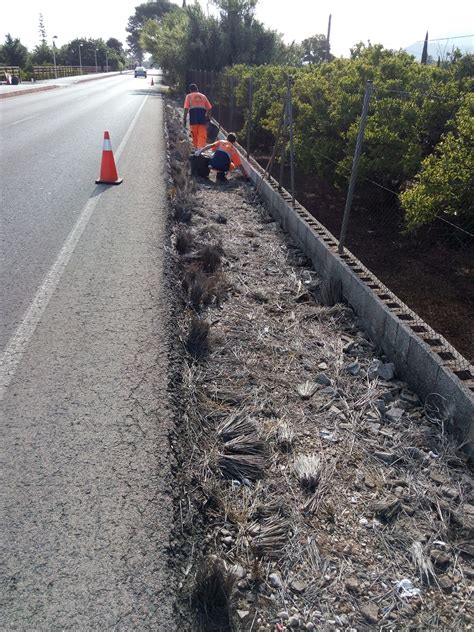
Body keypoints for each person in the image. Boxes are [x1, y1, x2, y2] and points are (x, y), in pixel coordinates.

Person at [183, 84, 212, 149]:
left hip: (193, 118)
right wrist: (208, 119)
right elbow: (209, 108)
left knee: (194, 134)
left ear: (190, 90)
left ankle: (196, 149)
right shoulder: (203, 96)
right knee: (202, 135)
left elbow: (186, 108)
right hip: (202, 118)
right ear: (197, 89)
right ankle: (200, 150)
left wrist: (184, 119)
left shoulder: (189, 96)